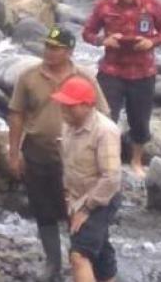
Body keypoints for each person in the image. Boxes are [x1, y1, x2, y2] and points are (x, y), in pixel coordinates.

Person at [8, 26, 109, 282]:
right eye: (47, 47)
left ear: (70, 51)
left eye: (55, 48)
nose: (49, 52)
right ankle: (53, 263)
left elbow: (103, 115)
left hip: (76, 161)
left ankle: (83, 259)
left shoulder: (85, 78)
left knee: (77, 211)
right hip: (39, 154)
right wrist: (14, 153)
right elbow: (16, 114)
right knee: (43, 210)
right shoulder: (29, 76)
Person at [83, 0, 161, 178]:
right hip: (111, 71)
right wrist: (103, 40)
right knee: (104, 117)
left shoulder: (151, 5)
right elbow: (87, 32)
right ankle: (102, 161)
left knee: (140, 120)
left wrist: (151, 41)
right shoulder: (104, 5)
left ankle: (136, 161)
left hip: (142, 72)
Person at [52, 76, 122, 282]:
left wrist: (86, 209)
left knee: (79, 255)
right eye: (63, 105)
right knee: (100, 254)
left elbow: (111, 178)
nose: (64, 110)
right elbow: (68, 163)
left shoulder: (105, 130)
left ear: (87, 105)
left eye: (70, 106)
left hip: (101, 197)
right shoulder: (68, 126)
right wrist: (68, 198)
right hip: (77, 196)